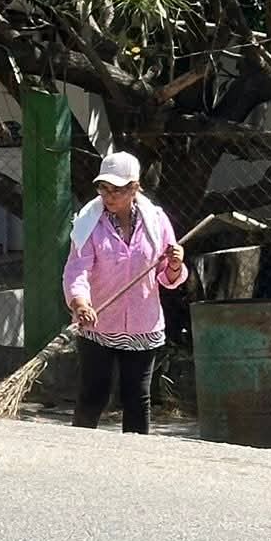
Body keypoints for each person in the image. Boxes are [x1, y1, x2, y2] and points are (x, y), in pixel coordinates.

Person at [61, 150, 187, 435]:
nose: (108, 196)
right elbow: (76, 270)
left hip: (143, 324)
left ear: (134, 188)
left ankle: (137, 456)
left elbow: (167, 278)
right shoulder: (89, 223)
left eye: (116, 190)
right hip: (98, 323)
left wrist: (175, 265)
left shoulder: (156, 221)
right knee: (94, 394)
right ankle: (77, 450)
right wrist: (80, 304)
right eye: (103, 188)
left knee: (137, 398)